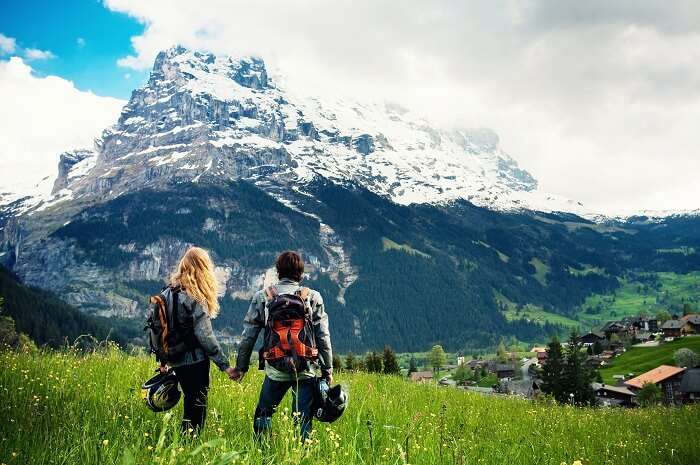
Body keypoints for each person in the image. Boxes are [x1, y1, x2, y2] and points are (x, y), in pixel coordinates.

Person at [230, 251, 333, 441]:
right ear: (300, 273)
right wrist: (327, 369)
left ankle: (262, 452)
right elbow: (323, 337)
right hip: (305, 369)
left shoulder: (264, 297)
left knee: (264, 413)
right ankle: (302, 456)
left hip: (275, 369)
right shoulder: (313, 297)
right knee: (303, 419)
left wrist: (241, 367)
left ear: (278, 272)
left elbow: (248, 337)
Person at [162, 247, 237, 433]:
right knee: (196, 407)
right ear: (203, 268)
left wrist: (163, 359)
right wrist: (225, 365)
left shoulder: (167, 293)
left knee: (190, 402)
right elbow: (206, 337)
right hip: (194, 360)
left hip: (174, 358)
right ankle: (187, 448)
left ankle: (182, 445)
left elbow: (160, 328)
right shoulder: (194, 297)